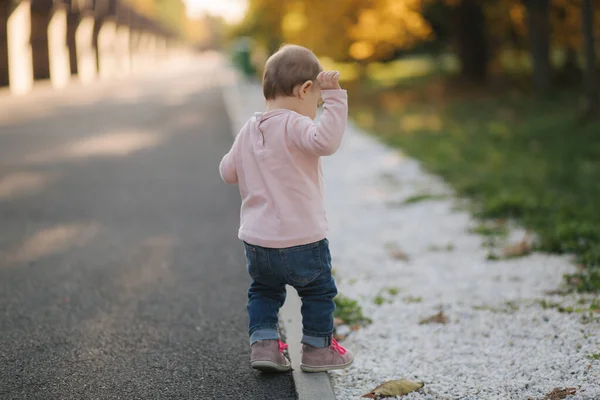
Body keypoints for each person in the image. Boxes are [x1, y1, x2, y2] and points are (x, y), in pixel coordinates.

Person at [219, 44, 354, 373]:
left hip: (258, 243)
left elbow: (227, 172)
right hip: (302, 239)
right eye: (317, 101)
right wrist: (335, 99)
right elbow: (326, 142)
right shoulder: (296, 124)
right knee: (319, 291)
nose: (316, 108)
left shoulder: (250, 129)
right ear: (305, 89)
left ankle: (265, 346)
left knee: (263, 291)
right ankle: (317, 349)